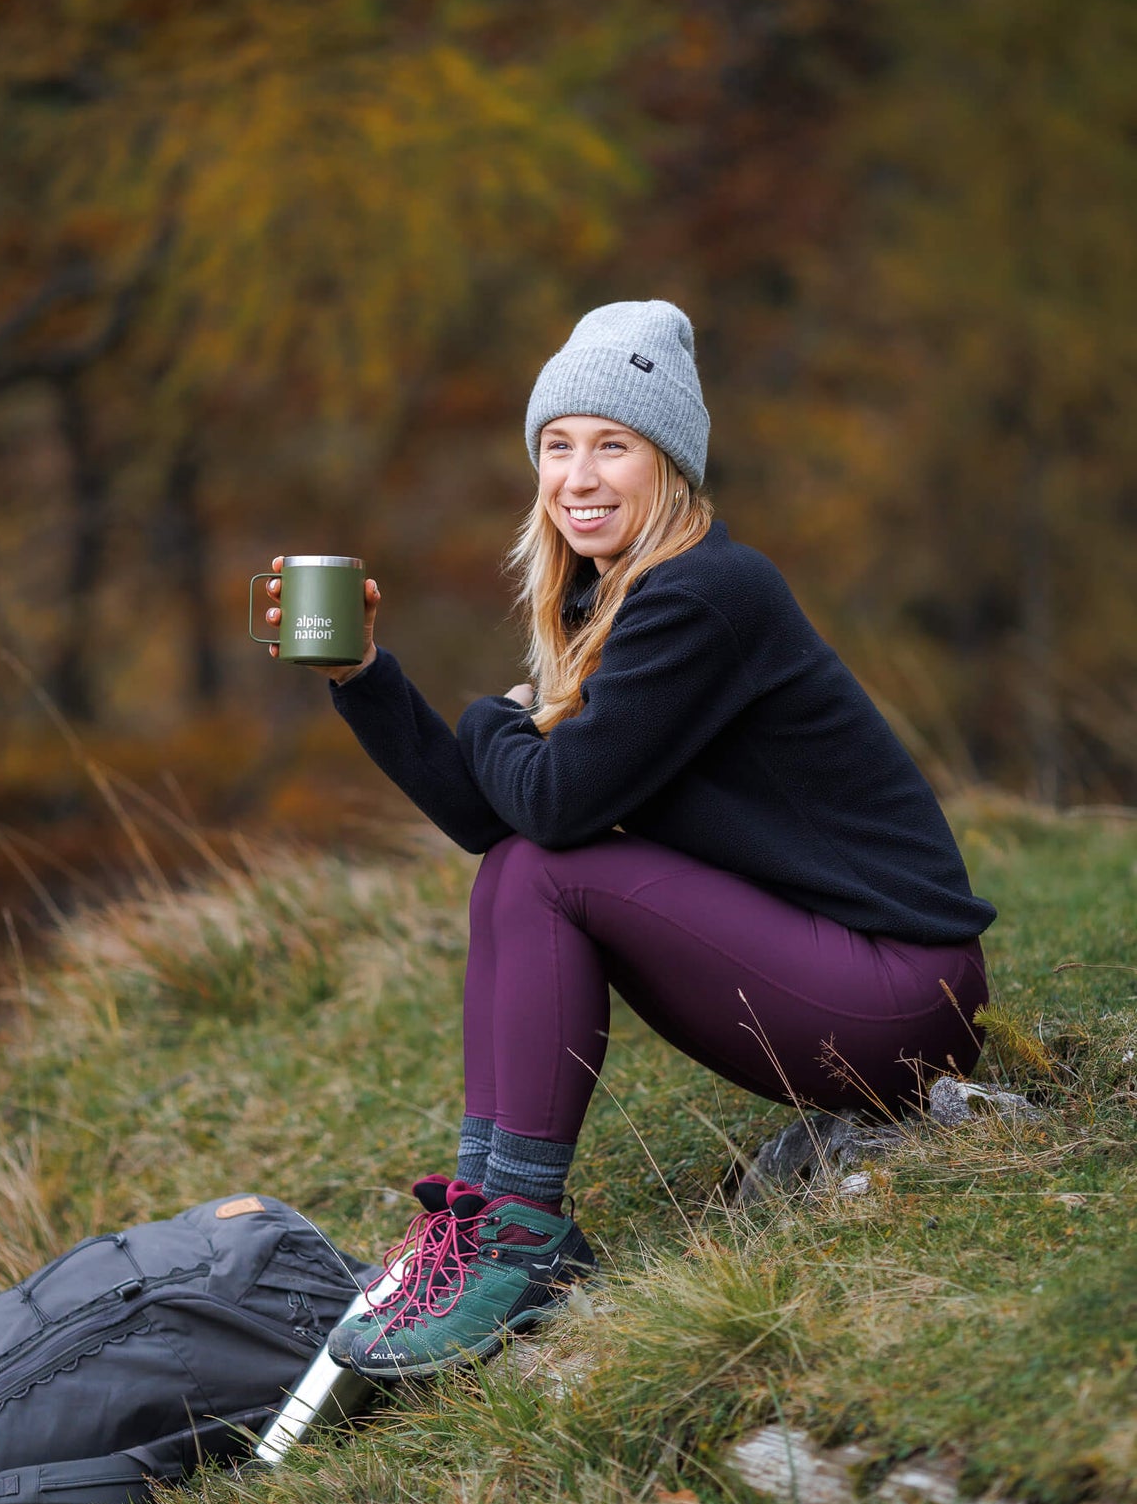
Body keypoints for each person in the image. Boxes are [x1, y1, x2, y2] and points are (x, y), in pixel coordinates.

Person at [262, 299, 995, 1381]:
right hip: (834, 981)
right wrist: (361, 677)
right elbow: (492, 819)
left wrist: (491, 719)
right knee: (521, 866)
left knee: (545, 870)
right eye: (557, 447)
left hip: (896, 998)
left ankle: (515, 1233)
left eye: (613, 445)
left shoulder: (706, 595)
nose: (579, 475)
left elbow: (551, 809)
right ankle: (482, 1220)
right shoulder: (612, 602)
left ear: (671, 467)